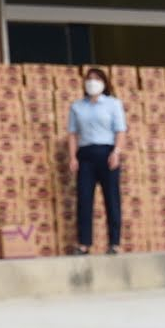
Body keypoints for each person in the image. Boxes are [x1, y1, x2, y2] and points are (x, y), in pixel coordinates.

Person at [67, 67, 126, 256]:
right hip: (86, 155)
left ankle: (114, 243)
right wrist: (72, 156)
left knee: (111, 198)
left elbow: (120, 131)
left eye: (96, 79)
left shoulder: (113, 104)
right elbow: (73, 134)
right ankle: (84, 243)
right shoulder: (77, 106)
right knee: (84, 199)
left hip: (106, 152)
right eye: (89, 79)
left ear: (104, 83)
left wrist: (116, 152)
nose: (92, 82)